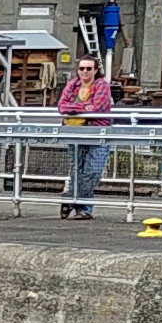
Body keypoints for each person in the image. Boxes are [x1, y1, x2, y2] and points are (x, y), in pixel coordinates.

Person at [55, 60, 117, 217]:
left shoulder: (102, 85)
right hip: (74, 131)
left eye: (89, 68)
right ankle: (83, 209)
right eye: (82, 68)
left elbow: (98, 107)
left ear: (95, 70)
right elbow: (62, 107)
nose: (85, 71)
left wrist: (73, 109)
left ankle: (71, 200)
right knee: (76, 169)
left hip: (98, 132)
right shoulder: (72, 85)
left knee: (92, 171)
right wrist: (83, 108)